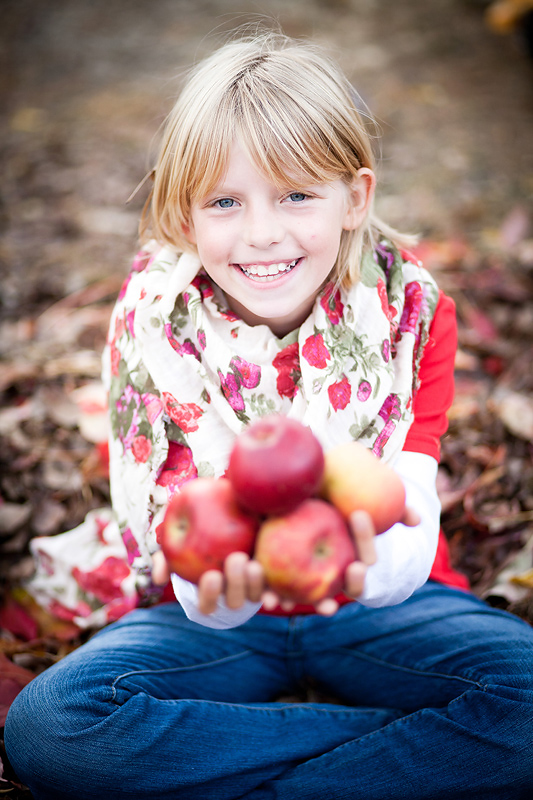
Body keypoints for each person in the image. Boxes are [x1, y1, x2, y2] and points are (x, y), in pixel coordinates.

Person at [5, 31, 533, 800]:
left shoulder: (414, 317)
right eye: (224, 201)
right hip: (215, 616)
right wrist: (219, 597)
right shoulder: (154, 324)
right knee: (52, 727)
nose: (260, 234)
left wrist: (368, 569)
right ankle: (398, 753)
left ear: (354, 197)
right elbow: (168, 516)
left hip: (380, 599)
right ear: (185, 218)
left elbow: (409, 501)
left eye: (295, 195)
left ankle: (261, 778)